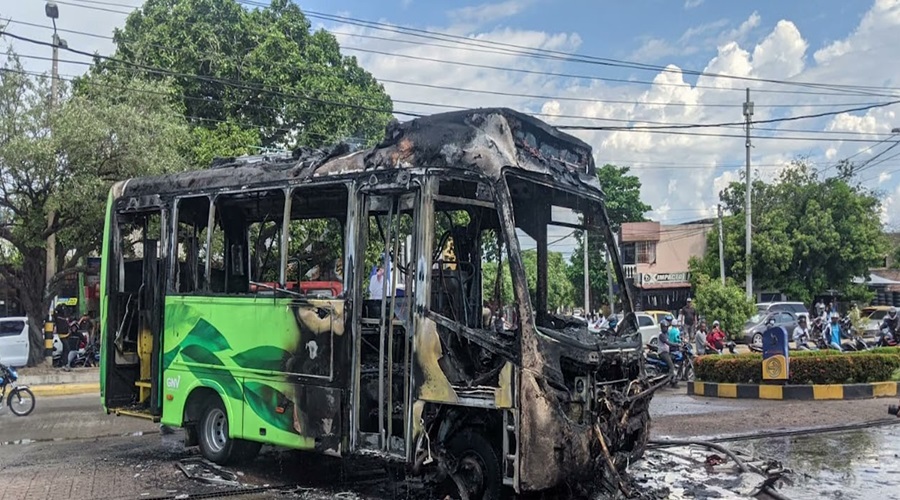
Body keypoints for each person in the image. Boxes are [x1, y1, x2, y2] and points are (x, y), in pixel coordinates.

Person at [656, 318, 679, 387]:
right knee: (672, 366)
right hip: (663, 353)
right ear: (662, 327)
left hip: (666, 352)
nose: (666, 329)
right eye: (665, 327)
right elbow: (668, 343)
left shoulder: (666, 334)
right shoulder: (661, 335)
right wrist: (676, 344)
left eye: (666, 327)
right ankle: (673, 382)